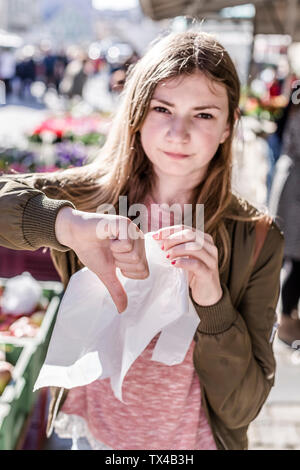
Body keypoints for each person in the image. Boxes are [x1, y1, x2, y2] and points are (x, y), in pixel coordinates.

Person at [0, 31, 284, 450]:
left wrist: (213, 302)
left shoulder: (256, 235)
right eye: (162, 108)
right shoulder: (90, 198)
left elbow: (245, 405)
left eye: (203, 115)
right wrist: (65, 224)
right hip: (94, 435)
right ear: (136, 112)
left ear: (229, 126)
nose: (178, 132)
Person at [268, 98, 300, 346]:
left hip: (291, 185)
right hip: (295, 191)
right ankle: (287, 321)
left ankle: (288, 319)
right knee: (295, 259)